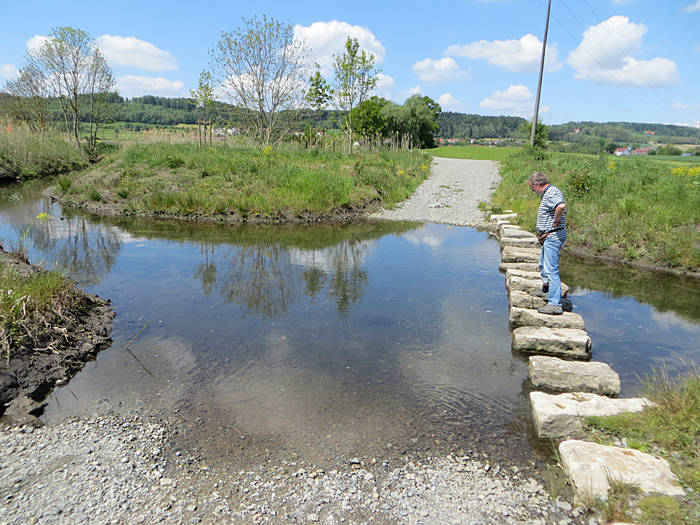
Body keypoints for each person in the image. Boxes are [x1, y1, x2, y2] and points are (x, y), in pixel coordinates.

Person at [528, 172, 567, 315]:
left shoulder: (551, 192)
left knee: (551, 270)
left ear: (537, 184)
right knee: (542, 264)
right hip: (549, 236)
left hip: (553, 236)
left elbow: (561, 206)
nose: (533, 191)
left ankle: (555, 304)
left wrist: (555, 222)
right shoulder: (549, 192)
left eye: (532, 188)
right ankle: (546, 290)